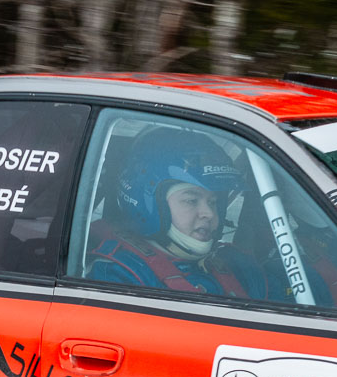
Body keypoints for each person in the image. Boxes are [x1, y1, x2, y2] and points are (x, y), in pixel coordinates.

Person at [86, 127, 267, 298]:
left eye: (213, 202)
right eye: (191, 200)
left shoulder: (238, 266)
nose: (209, 214)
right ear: (151, 205)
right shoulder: (118, 278)